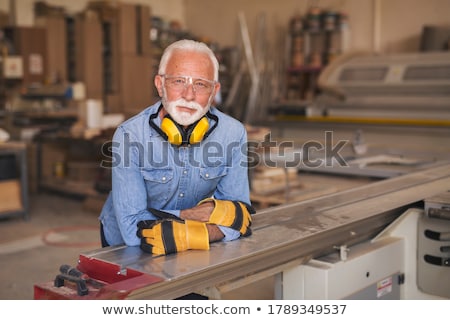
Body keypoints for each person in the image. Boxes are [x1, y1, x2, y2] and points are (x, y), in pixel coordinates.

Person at [99, 39, 254, 257]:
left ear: (214, 91)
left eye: (200, 84)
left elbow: (240, 217)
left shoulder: (233, 134)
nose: (189, 95)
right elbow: (133, 231)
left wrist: (191, 236)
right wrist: (191, 216)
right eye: (179, 81)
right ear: (160, 84)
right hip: (123, 247)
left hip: (193, 246)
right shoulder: (129, 136)